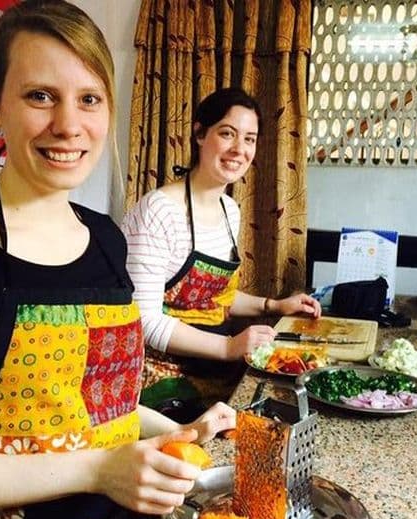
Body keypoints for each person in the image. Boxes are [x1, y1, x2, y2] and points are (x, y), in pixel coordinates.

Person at [0, 2, 234, 519]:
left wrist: (176, 431)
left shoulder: (106, 238)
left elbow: (102, 411)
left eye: (89, 99)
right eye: (40, 96)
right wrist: (98, 471)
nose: (68, 125)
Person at [122, 87, 321, 420]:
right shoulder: (159, 211)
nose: (239, 150)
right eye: (227, 134)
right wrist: (229, 348)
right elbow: (143, 321)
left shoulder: (230, 210)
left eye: (249, 139)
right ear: (200, 133)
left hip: (213, 371)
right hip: (156, 387)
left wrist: (272, 305)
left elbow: (213, 298)